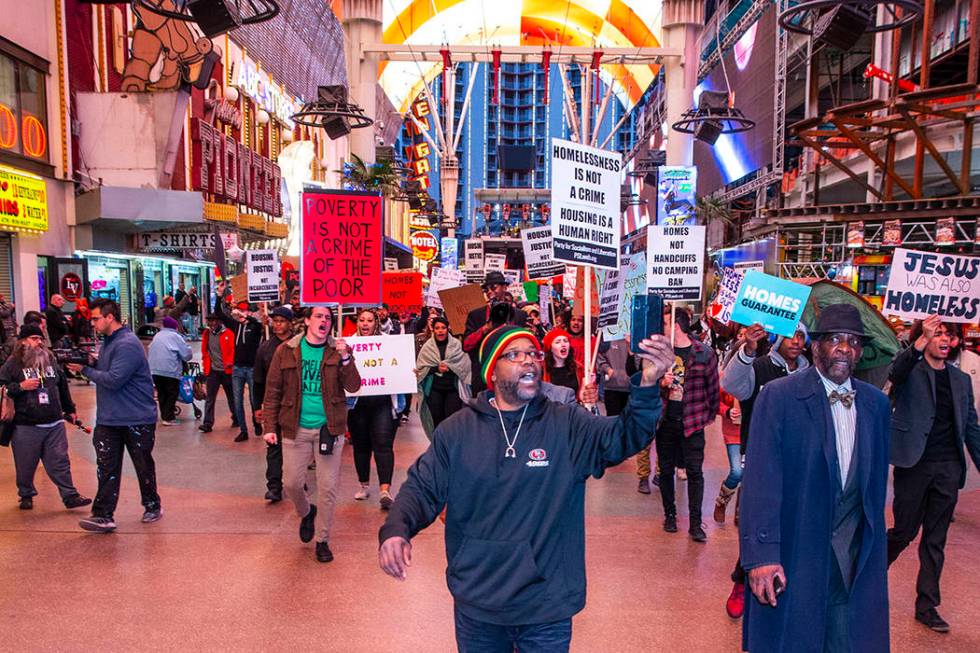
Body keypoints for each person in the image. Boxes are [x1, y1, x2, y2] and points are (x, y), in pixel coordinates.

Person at [377, 325, 675, 651]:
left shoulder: (567, 424)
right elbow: (422, 488)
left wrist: (647, 385)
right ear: (492, 370)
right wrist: (396, 528)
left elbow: (625, 436)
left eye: (533, 353)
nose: (529, 361)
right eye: (515, 355)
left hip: (546, 604)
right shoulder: (457, 432)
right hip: (479, 602)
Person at [740, 304, 891, 653]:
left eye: (853, 341)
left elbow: (872, 488)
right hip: (796, 554)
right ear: (816, 345)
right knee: (794, 640)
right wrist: (761, 556)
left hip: (853, 561)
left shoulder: (875, 406)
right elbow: (761, 482)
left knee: (847, 642)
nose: (845, 348)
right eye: (835, 339)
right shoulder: (779, 397)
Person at [886, 315, 980, 633]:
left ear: (954, 341)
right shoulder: (910, 369)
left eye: (948, 335)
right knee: (904, 531)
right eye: (936, 333)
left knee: (935, 540)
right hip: (914, 465)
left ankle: (927, 606)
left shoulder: (961, 381)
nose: (943, 339)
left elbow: (971, 427)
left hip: (948, 468)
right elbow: (894, 373)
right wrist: (918, 343)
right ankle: (866, 575)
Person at [720, 322, 809, 618]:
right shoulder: (759, 365)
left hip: (800, 462)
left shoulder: (812, 373)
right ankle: (741, 580)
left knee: (793, 525)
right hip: (761, 460)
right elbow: (732, 385)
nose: (796, 341)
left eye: (801, 336)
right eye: (791, 335)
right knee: (757, 525)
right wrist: (747, 349)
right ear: (778, 338)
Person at [262, 306, 361, 562]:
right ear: (306, 321)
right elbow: (273, 391)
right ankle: (307, 512)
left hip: (330, 428)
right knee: (292, 483)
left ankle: (322, 540)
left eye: (328, 318)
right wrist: (269, 427)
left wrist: (347, 358)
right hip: (295, 427)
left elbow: (353, 385)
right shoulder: (287, 351)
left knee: (327, 488)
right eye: (318, 316)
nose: (324, 321)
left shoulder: (338, 351)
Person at [67, 299, 161, 533]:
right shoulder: (110, 343)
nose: (93, 323)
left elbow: (115, 379)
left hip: (136, 418)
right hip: (110, 419)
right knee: (106, 467)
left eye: (96, 319)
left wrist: (85, 370)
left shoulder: (127, 343)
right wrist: (91, 361)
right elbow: (108, 369)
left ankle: (152, 504)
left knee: (142, 464)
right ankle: (103, 514)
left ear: (110, 318)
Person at [0, 324, 90, 511]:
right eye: (34, 338)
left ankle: (70, 495)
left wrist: (70, 408)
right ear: (23, 341)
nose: (39, 342)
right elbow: (3, 388)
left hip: (54, 421)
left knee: (60, 461)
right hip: (25, 425)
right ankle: (26, 494)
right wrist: (21, 387)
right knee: (25, 465)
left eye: (40, 338)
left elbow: (62, 384)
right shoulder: (12, 364)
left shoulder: (50, 359)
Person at [656, 307, 719, 542]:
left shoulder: (704, 353)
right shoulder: (661, 354)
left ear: (676, 326)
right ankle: (669, 515)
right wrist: (662, 383)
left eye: (664, 323)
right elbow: (647, 386)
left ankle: (695, 523)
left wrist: (706, 416)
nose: (661, 328)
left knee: (695, 472)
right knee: (665, 470)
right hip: (666, 422)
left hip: (692, 422)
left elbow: (713, 390)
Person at [347, 308, 401, 509]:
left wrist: (407, 371)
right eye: (362, 320)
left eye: (370, 320)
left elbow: (399, 366)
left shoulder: (389, 343)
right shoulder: (347, 344)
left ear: (376, 322)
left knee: (383, 445)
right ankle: (364, 485)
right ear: (357, 322)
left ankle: (385, 490)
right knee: (361, 446)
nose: (365, 324)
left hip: (383, 403)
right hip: (357, 404)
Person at [252, 306, 294, 503]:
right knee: (273, 445)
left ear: (290, 323)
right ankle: (274, 486)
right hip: (273, 403)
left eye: (282, 321)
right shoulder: (266, 348)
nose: (278, 325)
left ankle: (296, 481)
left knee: (297, 445)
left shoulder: (300, 344)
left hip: (297, 404)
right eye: (275, 321)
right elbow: (258, 381)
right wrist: (257, 407)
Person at [214, 281, 264, 442]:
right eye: (240, 310)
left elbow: (259, 324)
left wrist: (247, 317)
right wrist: (219, 296)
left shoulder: (254, 327)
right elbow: (218, 314)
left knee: (253, 399)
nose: (241, 313)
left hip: (251, 368)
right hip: (237, 368)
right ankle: (243, 429)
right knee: (237, 400)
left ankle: (257, 423)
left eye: (244, 310)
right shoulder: (235, 326)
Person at [463, 271, 527, 395]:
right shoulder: (476, 315)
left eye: (493, 287)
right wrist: (485, 328)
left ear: (504, 288)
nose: (489, 292)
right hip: (483, 376)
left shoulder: (519, 315)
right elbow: (466, 345)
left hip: (511, 375)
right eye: (486, 289)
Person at [416, 316, 471, 439]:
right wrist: (436, 368)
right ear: (433, 330)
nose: (440, 331)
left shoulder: (457, 345)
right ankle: (439, 445)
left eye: (443, 328)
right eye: (437, 328)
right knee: (437, 419)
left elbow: (464, 365)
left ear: (448, 329)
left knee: (452, 420)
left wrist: (450, 367)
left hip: (453, 389)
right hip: (434, 390)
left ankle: (452, 446)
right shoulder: (427, 347)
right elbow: (420, 369)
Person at [148, 316, 192, 425]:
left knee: (162, 393)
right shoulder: (175, 336)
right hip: (170, 370)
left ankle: (165, 415)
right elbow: (186, 355)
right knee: (172, 393)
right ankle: (168, 418)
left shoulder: (157, 335)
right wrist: (189, 349)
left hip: (154, 370)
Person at [199, 313, 235, 435]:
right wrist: (206, 366)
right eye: (210, 321)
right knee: (210, 398)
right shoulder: (207, 334)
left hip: (226, 371)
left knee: (231, 397)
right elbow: (205, 351)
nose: (212, 324)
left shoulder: (228, 334)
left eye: (214, 321)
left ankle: (236, 417)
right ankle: (207, 423)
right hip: (213, 371)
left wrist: (230, 363)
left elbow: (232, 350)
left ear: (219, 322)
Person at [543, 328, 579, 399]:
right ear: (551, 348)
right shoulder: (542, 370)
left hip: (572, 408)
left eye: (565, 341)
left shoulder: (578, 368)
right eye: (558, 342)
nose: (563, 344)